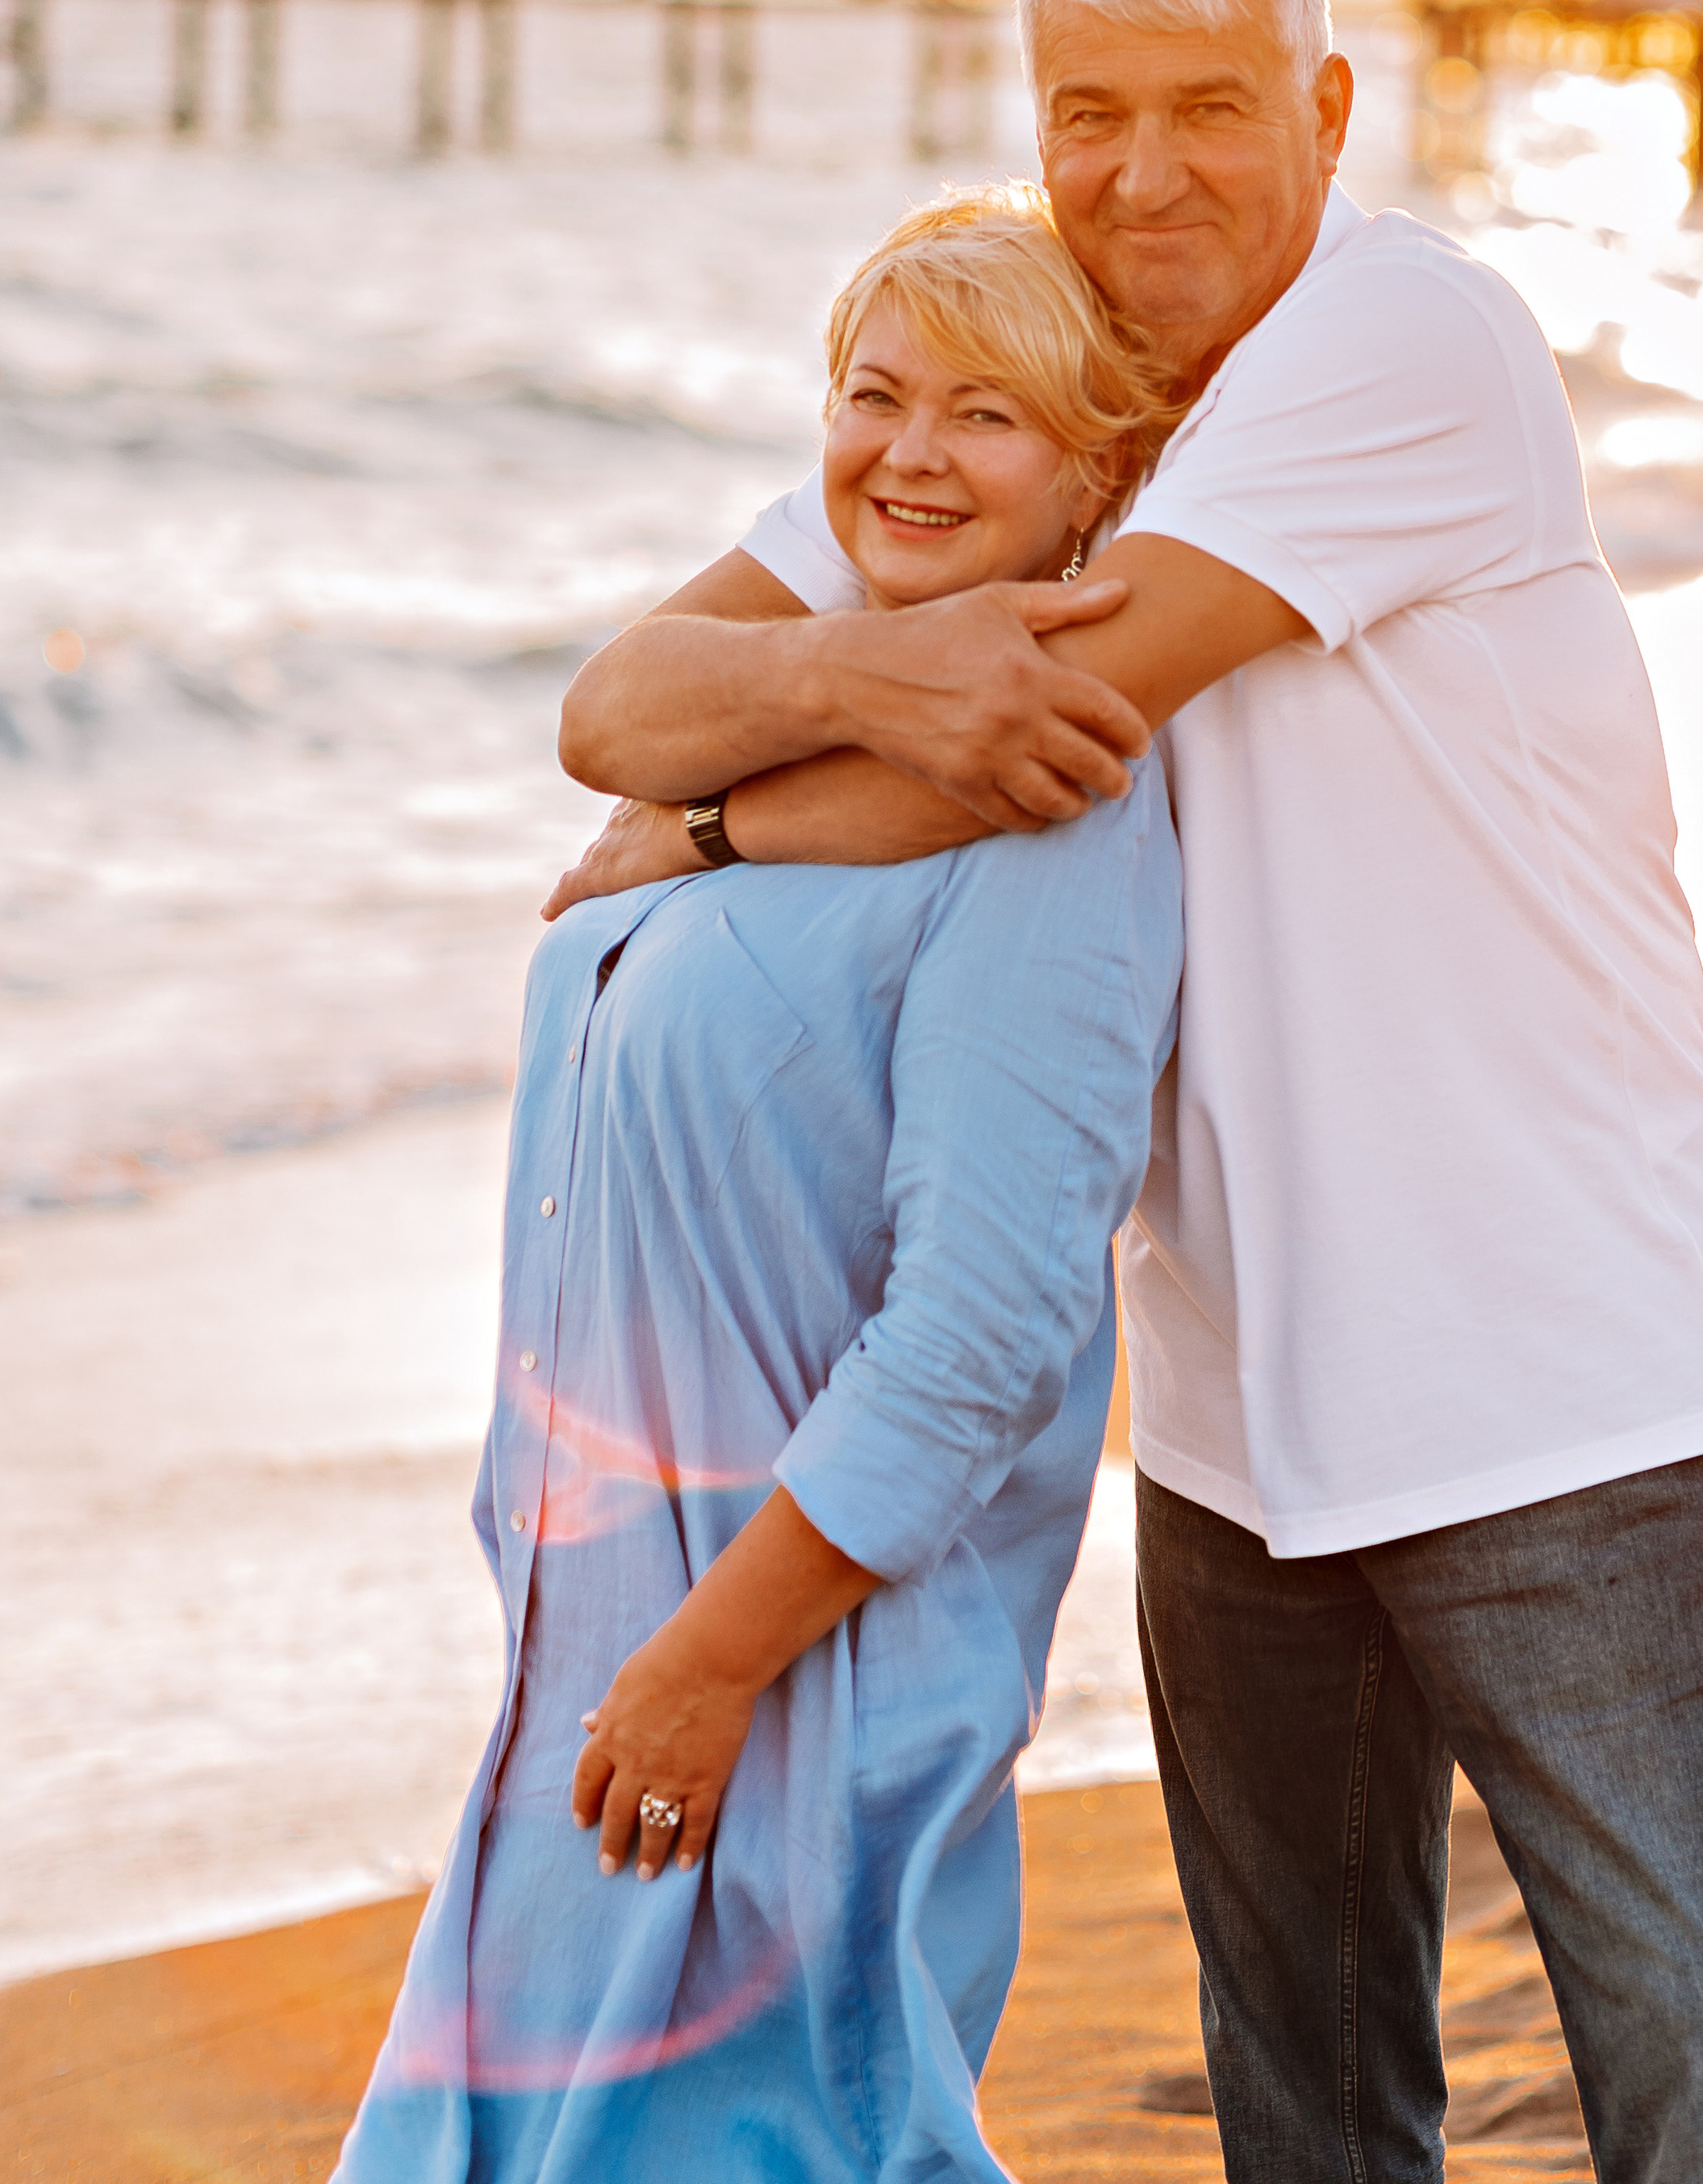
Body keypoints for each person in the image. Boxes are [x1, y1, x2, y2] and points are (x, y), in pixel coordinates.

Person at [549, 0, 1703, 2184]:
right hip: (1242, 1432)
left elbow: (1050, 703)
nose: (1143, 174)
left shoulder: (1400, 335)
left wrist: (727, 831)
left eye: (1210, 110)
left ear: (1329, 111)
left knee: (1696, 2092)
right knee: (1309, 2108)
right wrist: (846, 674)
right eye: (1089, 114)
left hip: (1569, 1400)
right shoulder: (1058, 405)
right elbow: (615, 701)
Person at [336, 189, 1184, 2183]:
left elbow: (981, 1338)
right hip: (603, 1641)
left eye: (986, 415)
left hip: (789, 1659)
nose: (907, 452)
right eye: (873, 398)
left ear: (1093, 480)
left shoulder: (1052, 823)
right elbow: (604, 712)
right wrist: (728, 800)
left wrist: (711, 1666)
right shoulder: (782, 727)